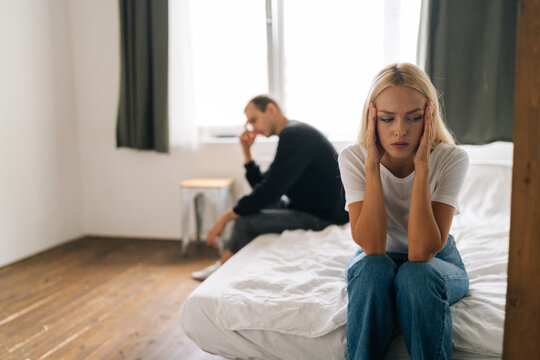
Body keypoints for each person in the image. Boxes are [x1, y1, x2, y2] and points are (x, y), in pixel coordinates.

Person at [338, 63, 469, 359]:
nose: (400, 130)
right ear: (372, 118)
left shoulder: (451, 159)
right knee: (372, 271)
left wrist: (422, 167)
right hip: (377, 258)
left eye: (414, 118)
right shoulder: (353, 158)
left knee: (416, 277)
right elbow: (371, 247)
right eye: (387, 119)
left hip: (437, 260)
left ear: (429, 117)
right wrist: (372, 165)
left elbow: (422, 254)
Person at [191, 95, 349, 281]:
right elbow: (266, 185)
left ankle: (222, 266)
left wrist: (226, 217)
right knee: (249, 209)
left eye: (254, 119)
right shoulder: (293, 133)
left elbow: (269, 191)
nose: (252, 127)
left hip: (323, 216)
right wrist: (247, 152)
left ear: (271, 109)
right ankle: (226, 262)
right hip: (305, 206)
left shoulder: (296, 135)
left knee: (244, 222)